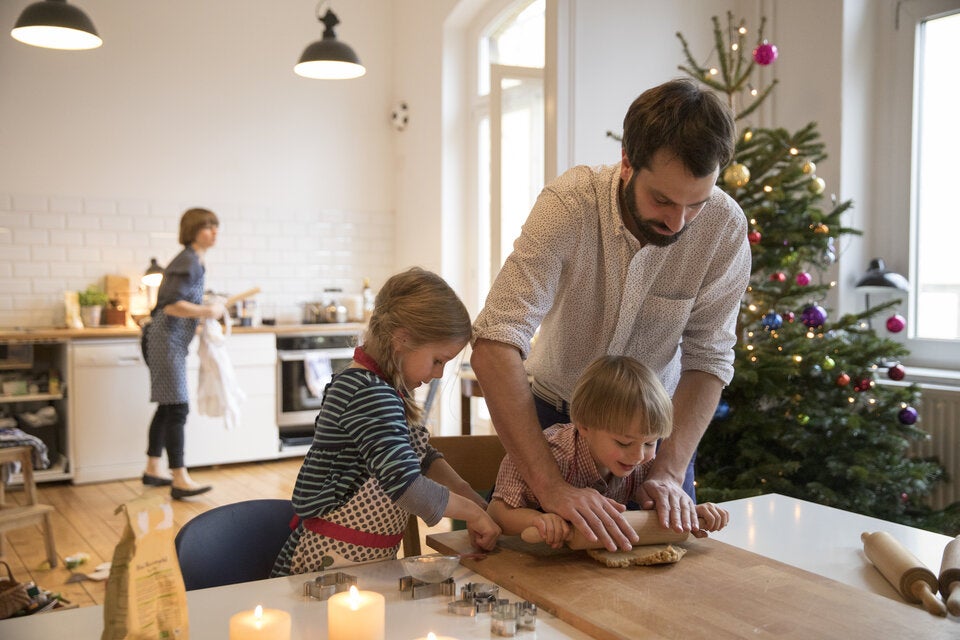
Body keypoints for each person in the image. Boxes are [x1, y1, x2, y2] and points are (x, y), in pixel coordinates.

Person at [471, 78, 751, 552]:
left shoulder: (724, 229)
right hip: (549, 419)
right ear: (627, 162)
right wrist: (550, 487)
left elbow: (709, 358)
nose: (678, 223)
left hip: (653, 441)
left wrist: (666, 473)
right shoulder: (569, 206)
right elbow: (495, 341)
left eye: (696, 204)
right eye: (662, 200)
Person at [272, 267, 500, 576]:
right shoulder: (368, 393)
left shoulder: (381, 388)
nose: (438, 375)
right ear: (401, 339)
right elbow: (407, 486)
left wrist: (467, 493)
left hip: (365, 559)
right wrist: (472, 513)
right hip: (327, 558)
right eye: (437, 360)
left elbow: (421, 458)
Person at [487, 355, 729, 546]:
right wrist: (539, 521)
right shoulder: (550, 452)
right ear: (584, 426)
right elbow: (497, 512)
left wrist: (693, 513)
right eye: (624, 443)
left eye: (650, 443)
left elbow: (656, 512)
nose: (638, 456)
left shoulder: (644, 464)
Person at [141, 207, 226, 500]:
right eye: (207, 227)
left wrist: (201, 320)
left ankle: (153, 468)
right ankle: (179, 477)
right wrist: (208, 310)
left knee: (167, 406)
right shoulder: (188, 261)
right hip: (165, 341)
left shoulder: (194, 260)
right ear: (192, 231)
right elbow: (171, 304)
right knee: (178, 408)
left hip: (168, 340)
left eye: (216, 226)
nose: (214, 231)